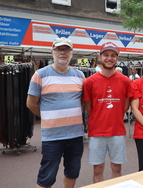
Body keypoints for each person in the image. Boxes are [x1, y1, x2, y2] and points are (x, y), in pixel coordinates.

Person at [26, 37, 85, 188]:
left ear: (72, 53)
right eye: (59, 49)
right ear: (52, 52)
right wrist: (48, 117)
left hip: (76, 135)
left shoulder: (80, 76)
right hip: (52, 137)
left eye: (66, 49)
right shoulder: (40, 75)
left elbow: (83, 102)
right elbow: (31, 103)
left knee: (72, 172)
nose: (63, 52)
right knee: (47, 176)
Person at [83, 42, 132, 183]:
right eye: (106, 55)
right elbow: (88, 106)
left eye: (112, 55)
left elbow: (126, 104)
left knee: (117, 168)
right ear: (100, 57)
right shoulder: (90, 82)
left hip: (117, 130)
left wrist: (114, 115)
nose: (109, 58)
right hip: (97, 131)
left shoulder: (125, 81)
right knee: (97, 168)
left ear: (117, 58)